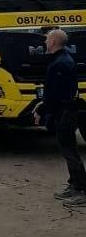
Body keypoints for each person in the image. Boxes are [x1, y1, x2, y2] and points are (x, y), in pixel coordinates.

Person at [33, 28, 86, 203]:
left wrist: (42, 110)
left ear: (54, 42)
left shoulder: (60, 63)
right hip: (64, 112)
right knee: (68, 151)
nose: (45, 42)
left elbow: (57, 95)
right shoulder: (61, 60)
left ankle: (81, 190)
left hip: (65, 114)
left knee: (70, 152)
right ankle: (74, 185)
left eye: (47, 39)